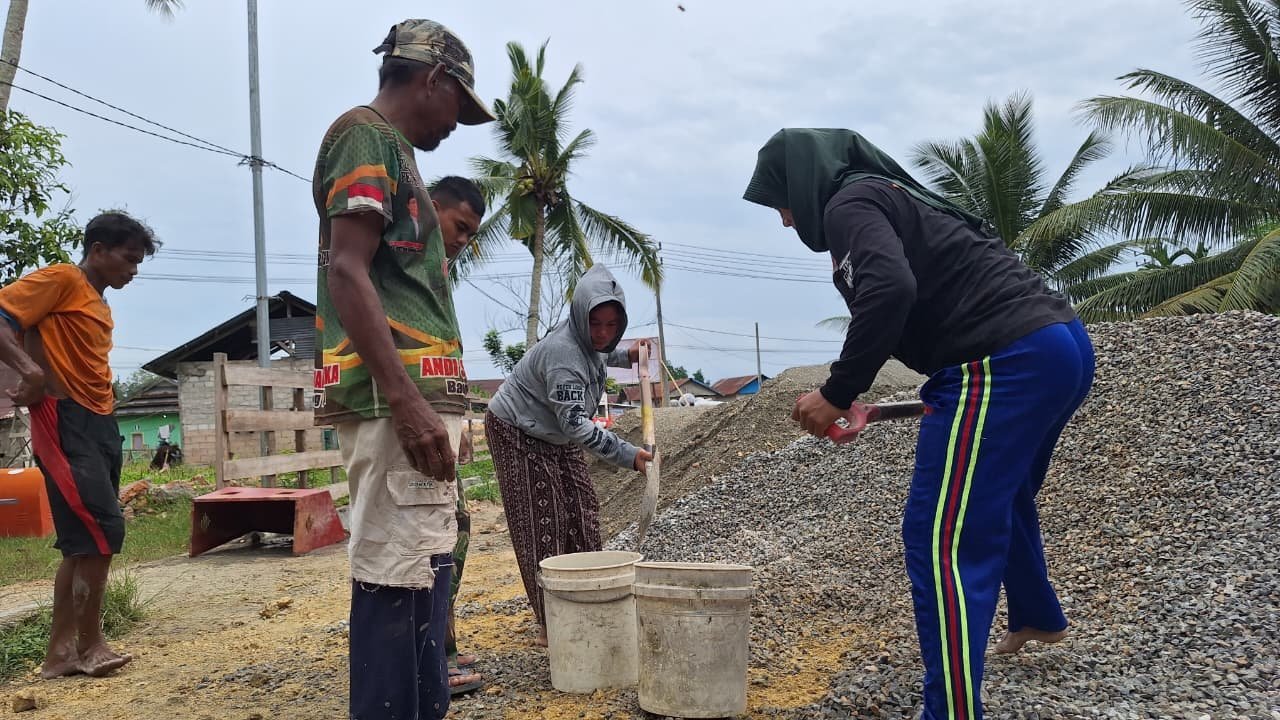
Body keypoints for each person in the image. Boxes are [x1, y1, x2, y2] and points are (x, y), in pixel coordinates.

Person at [743, 128, 1095, 720]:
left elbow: (890, 290)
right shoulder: (887, 194)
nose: (783, 219)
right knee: (999, 496)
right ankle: (1037, 615)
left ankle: (950, 711)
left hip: (1001, 363)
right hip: (1060, 348)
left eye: (780, 201)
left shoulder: (847, 204)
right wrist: (863, 400)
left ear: (802, 184)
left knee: (942, 540)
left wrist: (836, 392)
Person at [311, 20, 494, 720]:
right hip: (397, 409)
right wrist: (407, 400)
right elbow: (346, 268)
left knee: (422, 570)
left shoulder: (393, 152)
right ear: (433, 80)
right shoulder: (366, 137)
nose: (457, 124)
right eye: (459, 106)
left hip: (413, 407)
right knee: (395, 578)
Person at [0, 212, 159, 679]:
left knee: (82, 543)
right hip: (64, 419)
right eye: (128, 259)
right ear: (97, 251)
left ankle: (61, 654)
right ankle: (91, 646)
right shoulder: (62, 278)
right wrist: (30, 372)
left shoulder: (97, 303)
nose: (133, 270)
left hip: (99, 420)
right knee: (102, 532)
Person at [484, 264, 653, 646]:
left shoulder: (592, 343)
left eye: (613, 326)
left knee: (582, 511)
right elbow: (578, 426)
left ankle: (587, 600)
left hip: (556, 432)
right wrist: (631, 457)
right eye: (596, 324)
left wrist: (629, 354)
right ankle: (553, 622)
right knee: (543, 521)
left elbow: (600, 354)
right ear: (580, 317)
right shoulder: (563, 354)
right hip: (518, 429)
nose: (604, 334)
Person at [431, 175, 486, 696]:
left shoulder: (437, 271)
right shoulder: (401, 266)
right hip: (412, 420)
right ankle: (430, 654)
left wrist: (462, 418)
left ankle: (443, 644)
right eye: (460, 227)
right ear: (431, 208)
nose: (462, 240)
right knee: (434, 538)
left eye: (471, 235)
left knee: (457, 529)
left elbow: (448, 348)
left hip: (440, 417)